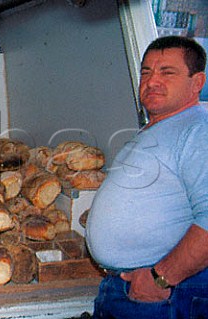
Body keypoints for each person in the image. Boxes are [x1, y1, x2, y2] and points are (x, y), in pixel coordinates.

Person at [85, 35, 208, 318]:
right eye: (146, 72)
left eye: (167, 73)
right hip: (127, 287)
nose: (152, 81)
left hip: (164, 296)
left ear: (197, 83)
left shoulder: (198, 131)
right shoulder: (159, 129)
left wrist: (161, 278)